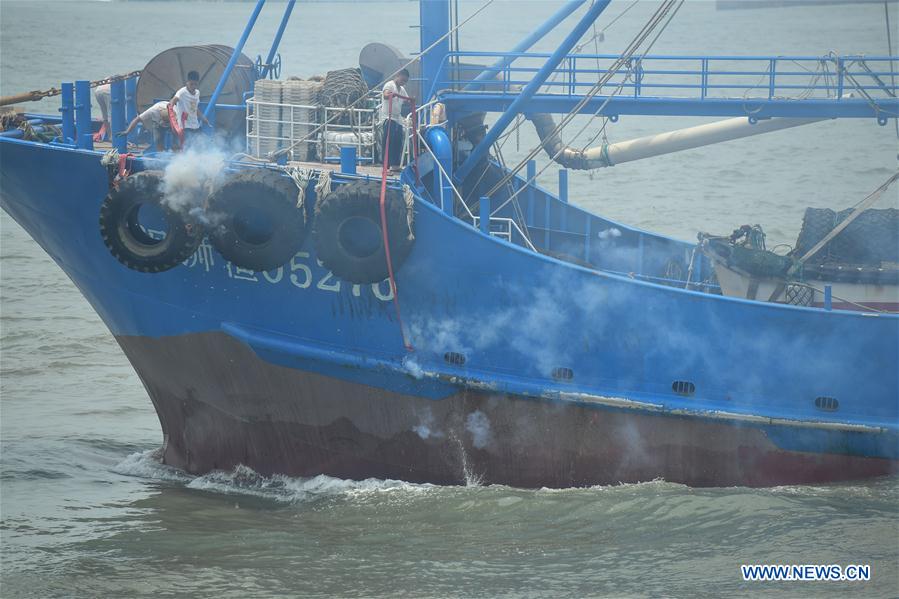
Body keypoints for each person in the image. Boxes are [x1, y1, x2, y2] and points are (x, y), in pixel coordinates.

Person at [380, 69, 411, 174]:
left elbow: (406, 99)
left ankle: (395, 165)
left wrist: (411, 100)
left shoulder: (402, 89)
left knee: (397, 142)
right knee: (388, 142)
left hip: (398, 118)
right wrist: (390, 95)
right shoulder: (390, 85)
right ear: (398, 76)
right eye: (402, 80)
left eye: (405, 81)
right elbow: (385, 95)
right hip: (388, 118)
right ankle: (385, 167)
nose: (403, 83)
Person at [170, 70, 210, 147]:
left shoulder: (197, 93)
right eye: (191, 84)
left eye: (195, 84)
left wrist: (203, 118)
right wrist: (171, 108)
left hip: (195, 125)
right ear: (187, 82)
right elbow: (173, 101)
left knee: (201, 145)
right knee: (184, 147)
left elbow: (195, 108)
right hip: (184, 126)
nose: (193, 87)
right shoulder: (182, 92)